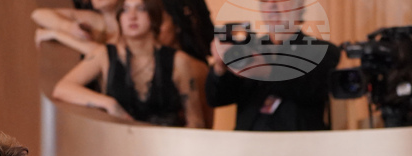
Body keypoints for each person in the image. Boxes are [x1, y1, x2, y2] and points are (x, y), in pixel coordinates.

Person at [52, 0, 205, 127]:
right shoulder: (104, 55)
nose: (132, 16)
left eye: (141, 9)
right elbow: (62, 88)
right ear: (119, 18)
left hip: (165, 149)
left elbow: (196, 122)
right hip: (119, 146)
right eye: (125, 10)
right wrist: (108, 103)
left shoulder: (179, 60)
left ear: (153, 15)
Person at [207, 6, 340, 131]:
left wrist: (267, 71)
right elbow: (216, 99)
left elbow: (312, 88)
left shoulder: (321, 51)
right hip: (249, 143)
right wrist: (220, 67)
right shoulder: (249, 49)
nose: (272, 6)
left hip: (300, 141)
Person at [33, 0, 121, 57]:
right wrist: (68, 27)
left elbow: (103, 54)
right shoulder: (95, 18)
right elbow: (38, 14)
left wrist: (57, 34)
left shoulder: (128, 21)